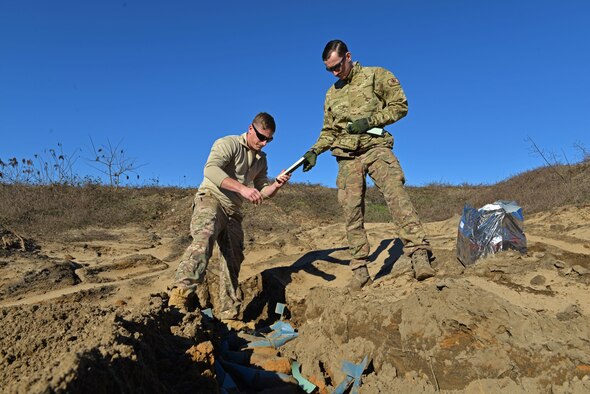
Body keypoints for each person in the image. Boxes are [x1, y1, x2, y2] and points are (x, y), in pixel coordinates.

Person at [302, 39, 435, 289]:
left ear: (348, 56)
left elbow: (400, 106)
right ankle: (360, 270)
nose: (334, 72)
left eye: (337, 66)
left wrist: (370, 120)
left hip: (376, 147)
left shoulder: (376, 75)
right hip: (347, 157)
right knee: (351, 211)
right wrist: (314, 151)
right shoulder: (332, 93)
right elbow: (329, 131)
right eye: (329, 69)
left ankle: (419, 254)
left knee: (396, 195)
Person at [169, 112, 291, 318]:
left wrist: (276, 185)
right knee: (204, 238)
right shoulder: (228, 143)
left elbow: (262, 193)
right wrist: (242, 189)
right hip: (211, 199)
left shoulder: (262, 160)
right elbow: (211, 170)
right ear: (250, 128)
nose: (264, 143)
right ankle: (179, 297)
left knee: (233, 259)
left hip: (234, 212)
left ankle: (229, 314)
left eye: (269, 140)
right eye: (261, 137)